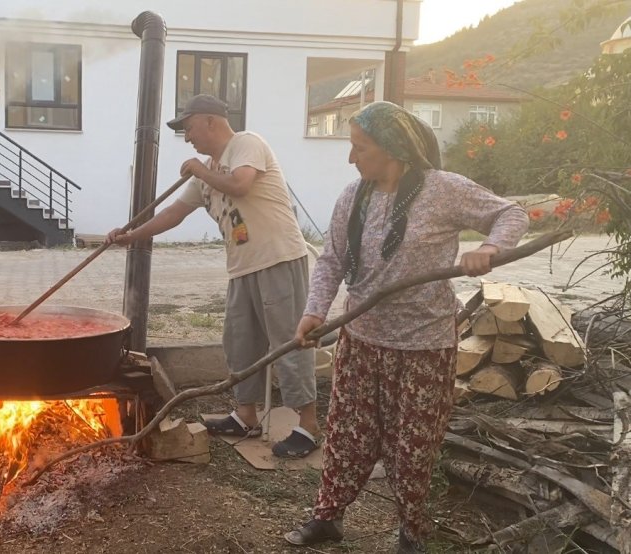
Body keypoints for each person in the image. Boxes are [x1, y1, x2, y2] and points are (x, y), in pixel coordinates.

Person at [285, 101, 529, 551]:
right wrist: (315, 311)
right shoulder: (352, 196)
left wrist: (491, 248)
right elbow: (333, 260)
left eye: (360, 147)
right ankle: (327, 517)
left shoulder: (443, 190)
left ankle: (412, 532)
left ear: (393, 148)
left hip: (424, 346)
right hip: (362, 340)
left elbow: (511, 213)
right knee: (345, 436)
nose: (351, 157)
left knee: (412, 447)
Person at [107, 94, 320, 458]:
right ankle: (246, 415)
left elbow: (241, 184)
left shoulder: (246, 144)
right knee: (240, 344)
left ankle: (309, 426)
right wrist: (132, 235)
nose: (187, 137)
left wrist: (199, 169)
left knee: (288, 342)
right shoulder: (206, 170)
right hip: (242, 267)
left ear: (210, 121)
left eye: (188, 128)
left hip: (279, 258)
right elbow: (173, 213)